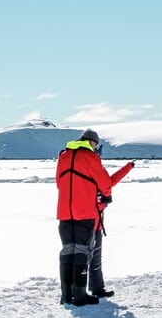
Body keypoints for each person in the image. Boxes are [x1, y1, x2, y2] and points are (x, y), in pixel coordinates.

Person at [54, 129, 133, 306]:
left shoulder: (64, 156)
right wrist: (104, 196)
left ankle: (66, 296)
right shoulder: (90, 157)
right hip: (84, 212)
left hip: (65, 213)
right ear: (91, 142)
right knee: (82, 252)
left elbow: (60, 183)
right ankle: (80, 295)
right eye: (95, 145)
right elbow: (105, 183)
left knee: (68, 252)